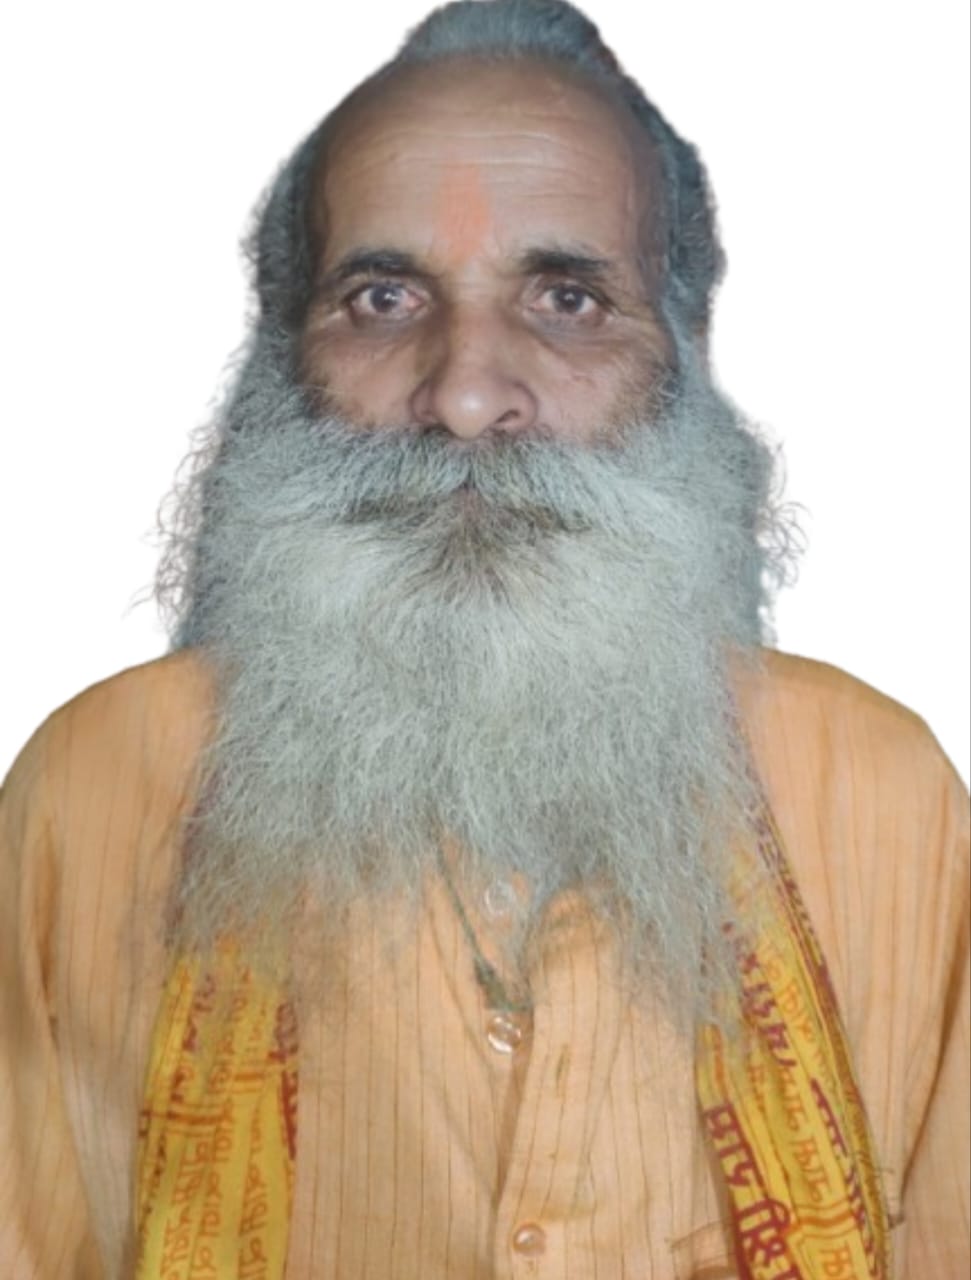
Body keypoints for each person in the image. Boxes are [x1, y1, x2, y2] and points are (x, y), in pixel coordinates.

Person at [1, 0, 967, 1276]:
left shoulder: (886, 793)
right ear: (286, 362)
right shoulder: (92, 786)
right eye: (382, 296)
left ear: (678, 352)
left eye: (566, 297)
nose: (463, 395)